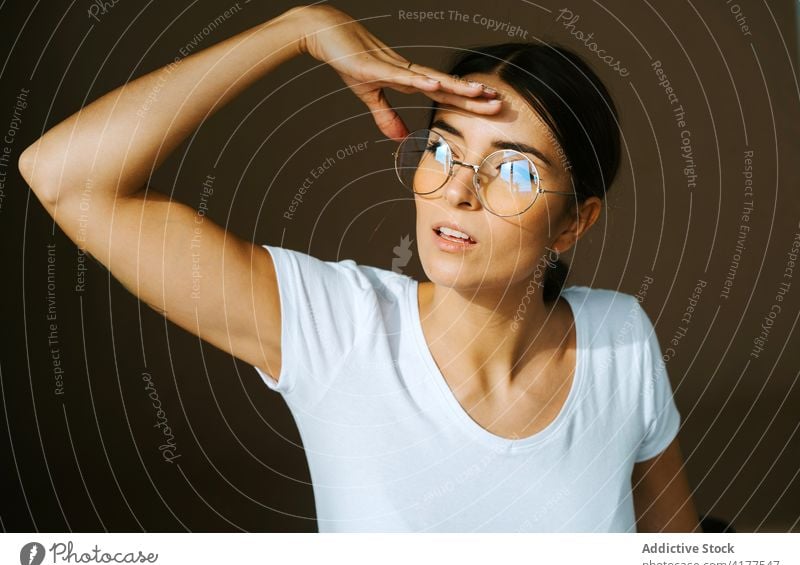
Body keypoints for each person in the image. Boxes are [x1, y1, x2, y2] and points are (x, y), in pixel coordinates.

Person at [18, 4, 700, 532]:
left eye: (514, 169)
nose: (457, 190)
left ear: (575, 221)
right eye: (443, 148)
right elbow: (63, 177)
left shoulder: (621, 339)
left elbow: (676, 552)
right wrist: (298, 29)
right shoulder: (338, 328)